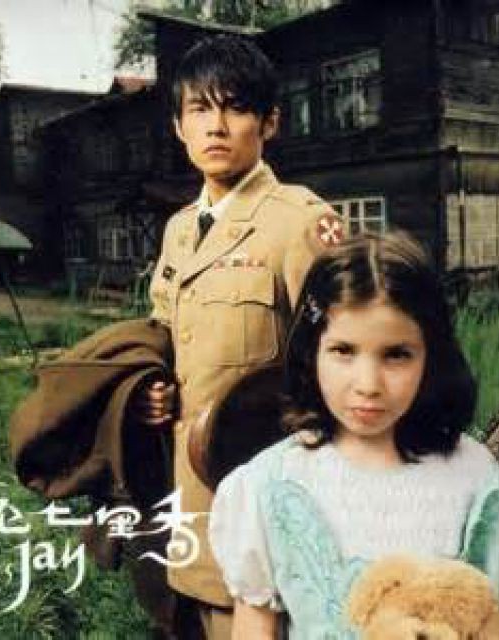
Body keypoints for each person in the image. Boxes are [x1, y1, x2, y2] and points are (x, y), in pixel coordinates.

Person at [136, 34, 343, 637]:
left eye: (235, 108)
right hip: (186, 491)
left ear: (269, 122)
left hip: (265, 493)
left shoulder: (301, 221)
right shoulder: (179, 229)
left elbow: (343, 355)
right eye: (200, 109)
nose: (216, 126)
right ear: (179, 126)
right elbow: (167, 337)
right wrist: (154, 391)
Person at [209, 233, 499, 638]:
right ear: (311, 351)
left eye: (396, 355)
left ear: (430, 357)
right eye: (344, 351)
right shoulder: (267, 484)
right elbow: (254, 628)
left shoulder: (474, 478)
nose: (368, 384)